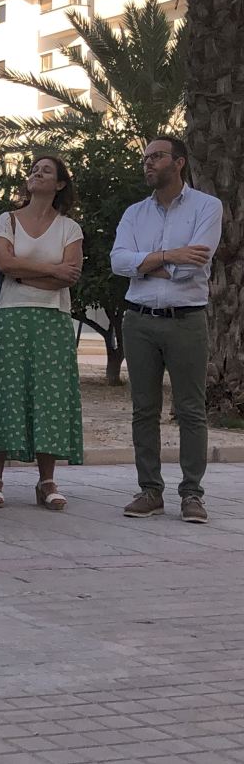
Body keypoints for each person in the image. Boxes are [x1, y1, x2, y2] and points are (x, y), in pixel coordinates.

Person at [111, 134, 222, 524]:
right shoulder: (134, 213)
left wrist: (145, 264)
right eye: (145, 158)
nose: (147, 163)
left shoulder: (207, 207)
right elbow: (118, 262)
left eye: (156, 156)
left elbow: (194, 265)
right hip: (139, 320)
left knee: (191, 410)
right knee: (144, 410)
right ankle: (150, 491)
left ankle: (192, 494)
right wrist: (170, 255)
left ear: (178, 163)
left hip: (186, 320)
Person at [0, 156, 84, 511]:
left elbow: (69, 275)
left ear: (60, 184)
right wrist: (50, 270)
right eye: (34, 169)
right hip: (10, 316)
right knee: (6, 394)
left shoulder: (70, 228)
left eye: (46, 170)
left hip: (54, 319)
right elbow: (3, 262)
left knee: (49, 397)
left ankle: (47, 480)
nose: (37, 173)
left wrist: (23, 274)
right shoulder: (7, 220)